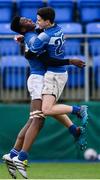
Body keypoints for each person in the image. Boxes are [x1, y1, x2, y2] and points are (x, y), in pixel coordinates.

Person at [3, 15, 87, 179]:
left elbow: (33, 45)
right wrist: (70, 61)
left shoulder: (32, 35)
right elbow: (48, 59)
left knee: (36, 117)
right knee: (38, 119)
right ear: (22, 29)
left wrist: (23, 40)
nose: (29, 20)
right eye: (25, 21)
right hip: (38, 79)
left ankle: (13, 155)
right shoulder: (34, 37)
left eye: (28, 18)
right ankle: (21, 157)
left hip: (38, 78)